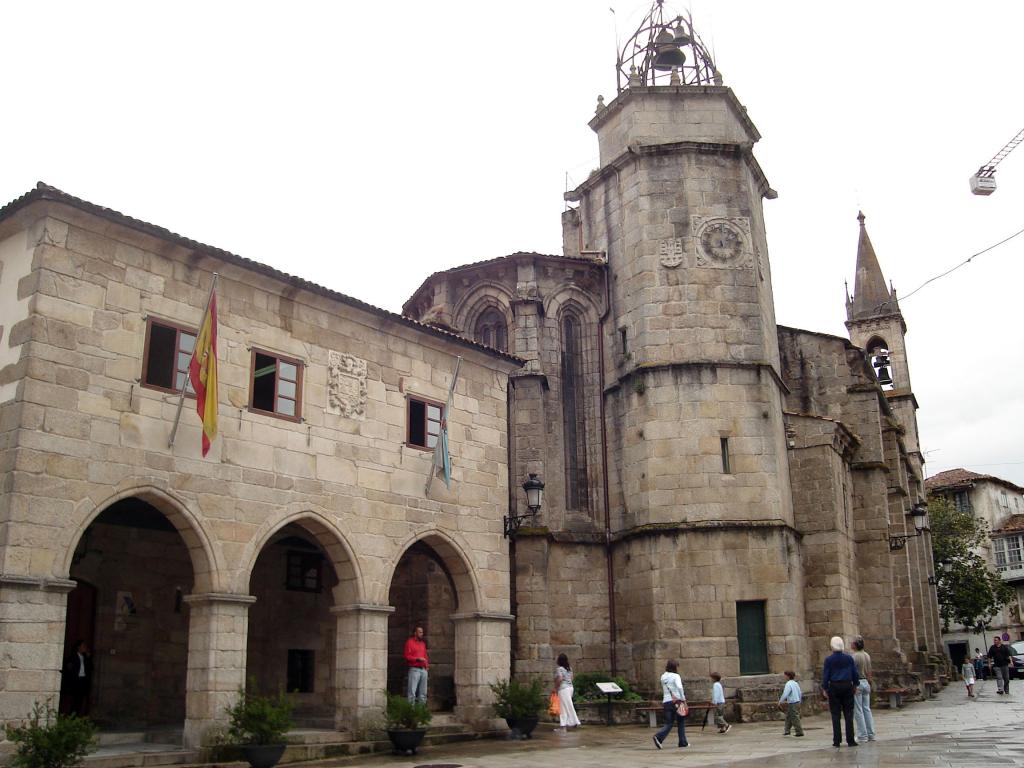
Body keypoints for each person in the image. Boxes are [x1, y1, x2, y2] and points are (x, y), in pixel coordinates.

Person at [821, 635, 858, 748]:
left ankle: (837, 740)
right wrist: (855, 684)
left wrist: (825, 688)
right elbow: (854, 673)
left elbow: (826, 675)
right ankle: (850, 740)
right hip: (847, 685)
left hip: (834, 686)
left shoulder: (829, 660)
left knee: (835, 714)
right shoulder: (849, 658)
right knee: (848, 714)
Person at [652, 659, 688, 749]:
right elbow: (679, 687)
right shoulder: (676, 676)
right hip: (677, 701)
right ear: (674, 667)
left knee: (669, 723)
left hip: (666, 701)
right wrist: (683, 699)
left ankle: (659, 737)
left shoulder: (663, 676)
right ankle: (682, 742)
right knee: (681, 721)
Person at [850, 636, 875, 742]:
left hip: (858, 683)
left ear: (855, 645)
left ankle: (862, 735)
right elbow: (869, 670)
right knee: (867, 709)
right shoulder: (866, 655)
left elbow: (852, 672)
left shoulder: (854, 657)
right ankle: (871, 733)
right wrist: (870, 682)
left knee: (858, 710)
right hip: (866, 682)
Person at [63, 640, 93, 716]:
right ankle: (71, 715)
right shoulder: (72, 657)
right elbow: (68, 668)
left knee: (80, 700)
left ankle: (78, 715)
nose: (85, 648)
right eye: (83, 646)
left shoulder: (86, 657)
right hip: (75, 681)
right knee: (73, 700)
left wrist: (89, 658)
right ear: (78, 647)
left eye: (85, 646)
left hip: (83, 680)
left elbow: (91, 668)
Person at [552, 653, 581, 733]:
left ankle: (575, 722)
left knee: (567, 706)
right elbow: (572, 678)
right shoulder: (569, 669)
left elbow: (560, 678)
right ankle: (563, 726)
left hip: (563, 689)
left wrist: (555, 687)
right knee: (564, 707)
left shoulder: (559, 669)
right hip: (570, 688)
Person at [404, 626, 429, 705]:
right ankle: (411, 711)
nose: (422, 634)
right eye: (420, 632)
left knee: (423, 693)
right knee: (412, 692)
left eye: (422, 632)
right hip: (414, 669)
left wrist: (427, 666)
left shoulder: (423, 644)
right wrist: (417, 659)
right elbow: (407, 656)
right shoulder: (409, 642)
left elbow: (425, 656)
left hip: (423, 670)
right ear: (415, 633)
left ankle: (421, 711)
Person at [778, 670, 804, 737]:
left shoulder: (788, 684)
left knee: (794, 717)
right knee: (789, 716)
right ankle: (787, 730)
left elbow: (785, 693)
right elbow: (799, 692)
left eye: (785, 675)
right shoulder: (795, 683)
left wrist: (780, 701)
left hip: (793, 702)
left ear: (788, 676)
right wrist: (800, 700)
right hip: (797, 701)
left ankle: (799, 731)